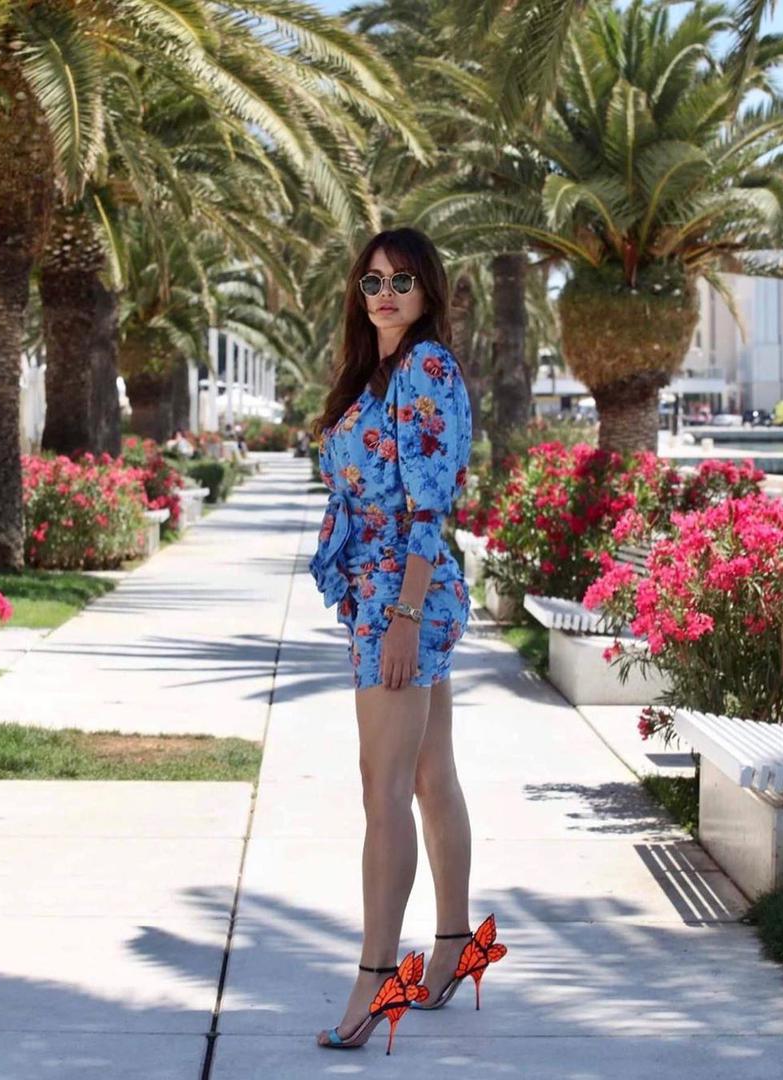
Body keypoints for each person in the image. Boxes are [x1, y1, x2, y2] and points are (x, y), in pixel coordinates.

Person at [308, 227, 506, 1054]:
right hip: (385, 592)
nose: (384, 294)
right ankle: (456, 945)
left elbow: (429, 507)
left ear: (428, 291)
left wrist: (404, 617)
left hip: (403, 593)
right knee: (427, 776)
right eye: (372, 282)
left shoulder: (425, 368)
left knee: (382, 789)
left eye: (401, 280)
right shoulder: (377, 373)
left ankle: (375, 976)